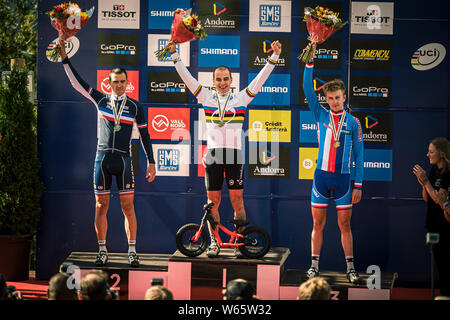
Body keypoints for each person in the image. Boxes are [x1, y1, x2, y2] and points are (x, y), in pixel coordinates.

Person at [166, 40, 282, 258]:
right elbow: (187, 78)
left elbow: (260, 80)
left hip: (234, 156)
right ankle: (214, 243)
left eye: (225, 79)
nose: (222, 83)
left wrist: (274, 57)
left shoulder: (241, 98)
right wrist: (175, 56)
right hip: (213, 157)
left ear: (231, 80)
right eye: (218, 79)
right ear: (213, 81)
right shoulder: (205, 97)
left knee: (238, 201)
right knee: (212, 204)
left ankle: (238, 243)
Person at [58, 39, 156, 267]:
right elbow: (76, 83)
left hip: (123, 159)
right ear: (109, 83)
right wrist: (64, 57)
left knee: (128, 207)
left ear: (127, 83)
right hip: (102, 159)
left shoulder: (135, 107)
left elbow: (145, 135)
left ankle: (132, 251)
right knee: (101, 206)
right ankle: (102, 251)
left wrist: (151, 162)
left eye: (123, 82)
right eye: (115, 82)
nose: (119, 85)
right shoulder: (101, 100)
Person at [302, 43, 364, 284]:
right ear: (325, 99)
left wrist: (358, 185)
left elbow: (360, 156)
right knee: (318, 223)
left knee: (344, 225)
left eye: (338, 98)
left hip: (343, 180)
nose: (335, 102)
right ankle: (313, 266)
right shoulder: (320, 114)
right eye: (330, 98)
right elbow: (308, 87)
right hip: (321, 178)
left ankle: (350, 268)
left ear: (344, 96)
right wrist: (310, 60)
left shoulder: (354, 123)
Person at [413, 137, 450, 297]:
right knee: (440, 264)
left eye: (431, 151)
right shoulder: (434, 170)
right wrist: (423, 183)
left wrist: (426, 181)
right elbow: (427, 198)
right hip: (433, 223)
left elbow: (439, 199)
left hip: (446, 226)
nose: (427, 154)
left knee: (446, 264)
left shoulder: (448, 173)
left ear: (441, 154)